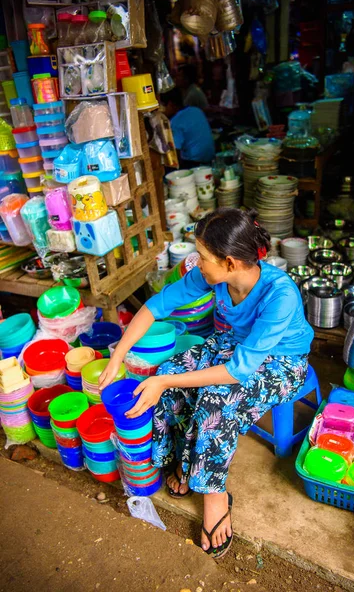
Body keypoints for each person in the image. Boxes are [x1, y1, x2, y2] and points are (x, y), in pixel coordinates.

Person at [99, 208, 314, 559]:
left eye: (202, 257)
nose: (196, 264)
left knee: (215, 401)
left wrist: (165, 382)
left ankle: (215, 495)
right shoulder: (214, 276)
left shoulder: (281, 295)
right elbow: (159, 305)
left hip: (282, 362)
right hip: (233, 346)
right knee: (169, 371)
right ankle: (183, 461)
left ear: (230, 262)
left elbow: (238, 371)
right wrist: (119, 353)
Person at [161, 88, 215, 168]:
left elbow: (175, 155)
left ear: (171, 104)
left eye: (163, 106)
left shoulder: (176, 121)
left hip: (194, 164)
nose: (162, 111)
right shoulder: (196, 110)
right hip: (211, 159)